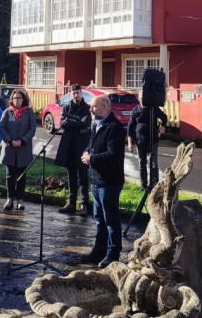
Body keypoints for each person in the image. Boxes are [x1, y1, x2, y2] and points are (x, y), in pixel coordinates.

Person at [80, 95, 126, 268]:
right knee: (99, 218)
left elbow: (113, 155)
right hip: (95, 179)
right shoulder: (96, 124)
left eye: (94, 106)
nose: (90, 109)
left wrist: (92, 158)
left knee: (111, 219)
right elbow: (91, 146)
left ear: (105, 108)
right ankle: (99, 250)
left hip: (109, 181)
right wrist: (86, 153)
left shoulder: (115, 127)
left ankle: (113, 254)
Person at [55, 84, 92, 216]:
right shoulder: (66, 107)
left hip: (82, 145)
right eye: (74, 93)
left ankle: (84, 204)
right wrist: (76, 123)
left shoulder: (86, 108)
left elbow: (86, 123)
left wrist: (72, 122)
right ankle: (71, 203)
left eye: (78, 93)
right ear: (71, 94)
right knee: (71, 175)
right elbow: (63, 123)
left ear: (81, 93)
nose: (76, 95)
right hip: (69, 145)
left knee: (83, 176)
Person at [0, 88, 36, 211]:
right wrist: (10, 140)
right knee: (10, 175)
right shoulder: (7, 112)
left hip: (23, 148)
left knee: (21, 175)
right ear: (11, 99)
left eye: (19, 98)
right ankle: (9, 199)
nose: (17, 100)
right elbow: (2, 128)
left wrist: (23, 140)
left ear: (23, 99)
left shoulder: (29, 112)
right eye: (14, 98)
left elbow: (32, 128)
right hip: (10, 148)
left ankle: (20, 199)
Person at [127, 104, 168, 190]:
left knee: (153, 164)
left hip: (153, 141)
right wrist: (130, 143)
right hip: (139, 141)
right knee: (142, 163)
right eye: (141, 98)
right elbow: (130, 126)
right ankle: (143, 185)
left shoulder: (153, 108)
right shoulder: (136, 110)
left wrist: (163, 126)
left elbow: (164, 117)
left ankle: (154, 185)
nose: (143, 100)